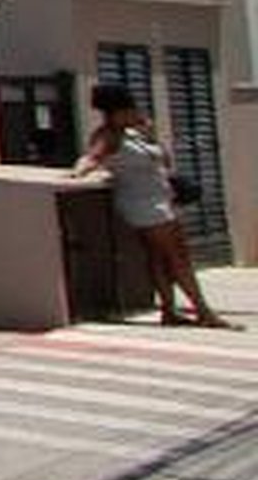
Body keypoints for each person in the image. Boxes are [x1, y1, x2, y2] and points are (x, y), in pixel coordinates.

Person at [80, 82, 227, 328]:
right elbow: (92, 157)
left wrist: (150, 133)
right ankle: (203, 311)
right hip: (145, 204)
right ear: (117, 111)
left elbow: (164, 159)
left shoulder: (134, 134)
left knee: (159, 256)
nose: (136, 112)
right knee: (179, 257)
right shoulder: (109, 136)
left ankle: (169, 311)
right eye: (130, 109)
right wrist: (78, 171)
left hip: (157, 200)